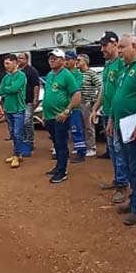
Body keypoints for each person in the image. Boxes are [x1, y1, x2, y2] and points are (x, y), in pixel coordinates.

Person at [106, 35, 136, 224]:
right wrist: (111, 118)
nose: (119, 51)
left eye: (122, 47)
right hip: (121, 125)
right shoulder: (127, 68)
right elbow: (118, 95)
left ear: (134, 46)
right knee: (127, 165)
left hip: (134, 126)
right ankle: (134, 200)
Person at [90, 31, 129, 204]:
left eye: (105, 45)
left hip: (119, 115)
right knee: (113, 149)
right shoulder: (108, 66)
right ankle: (118, 178)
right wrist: (95, 108)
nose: (102, 49)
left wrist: (113, 114)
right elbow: (105, 90)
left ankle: (123, 185)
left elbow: (122, 91)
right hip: (107, 113)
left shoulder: (122, 64)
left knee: (119, 149)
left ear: (115, 43)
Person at [42, 49, 81, 184]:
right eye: (50, 58)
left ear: (62, 61)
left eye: (55, 58)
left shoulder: (67, 75)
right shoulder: (49, 75)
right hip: (49, 117)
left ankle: (62, 171)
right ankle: (58, 167)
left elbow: (76, 94)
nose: (52, 60)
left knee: (61, 144)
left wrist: (67, 111)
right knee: (56, 143)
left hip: (60, 117)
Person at [0, 54, 27, 168]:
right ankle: (18, 153)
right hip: (8, 109)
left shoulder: (21, 75)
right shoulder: (6, 77)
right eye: (5, 64)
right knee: (12, 133)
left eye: (8, 63)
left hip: (18, 109)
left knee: (17, 133)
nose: (6, 66)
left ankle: (16, 155)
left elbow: (14, 89)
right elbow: (0, 91)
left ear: (15, 62)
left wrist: (7, 89)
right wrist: (8, 89)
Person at [64, 51, 87, 163]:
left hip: (74, 107)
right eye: (65, 59)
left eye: (68, 59)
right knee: (63, 130)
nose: (66, 61)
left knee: (76, 129)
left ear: (74, 61)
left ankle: (81, 152)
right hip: (62, 107)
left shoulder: (78, 74)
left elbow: (75, 88)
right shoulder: (62, 73)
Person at [17, 52, 41, 156]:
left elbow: (36, 85)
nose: (19, 60)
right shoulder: (17, 72)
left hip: (29, 101)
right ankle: (24, 143)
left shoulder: (31, 71)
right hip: (19, 102)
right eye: (18, 58)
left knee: (27, 121)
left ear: (26, 60)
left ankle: (30, 141)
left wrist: (35, 98)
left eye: (21, 58)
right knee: (22, 123)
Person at [78, 54, 101, 157]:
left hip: (87, 103)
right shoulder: (78, 74)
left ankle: (91, 147)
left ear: (85, 61)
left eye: (79, 60)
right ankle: (82, 146)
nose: (77, 62)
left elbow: (100, 87)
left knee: (88, 126)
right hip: (78, 103)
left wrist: (95, 101)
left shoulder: (91, 73)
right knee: (80, 126)